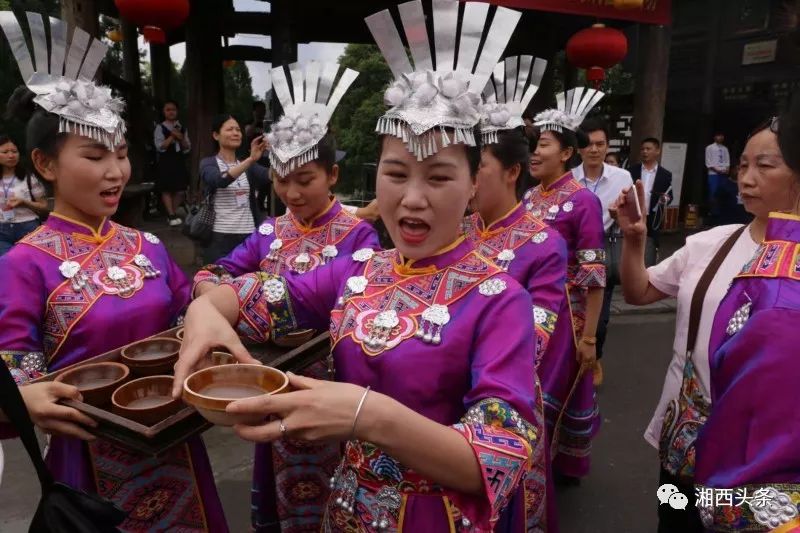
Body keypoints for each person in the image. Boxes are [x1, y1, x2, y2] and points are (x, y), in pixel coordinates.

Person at [174, 1, 544, 530]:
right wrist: (208, 312)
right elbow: (254, 296)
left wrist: (364, 415)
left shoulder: (501, 298)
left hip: (431, 516)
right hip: (346, 508)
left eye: (438, 178)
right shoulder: (361, 270)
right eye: (396, 173)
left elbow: (498, 459)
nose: (412, 199)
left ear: (472, 189)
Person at [0, 13, 227, 531]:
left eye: (121, 154)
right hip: (89, 464)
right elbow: (16, 376)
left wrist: (210, 296)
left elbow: (191, 314)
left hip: (176, 444)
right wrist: (25, 399)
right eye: (95, 155)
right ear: (46, 163)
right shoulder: (23, 263)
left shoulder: (146, 244)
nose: (115, 172)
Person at [194, 61, 378, 533]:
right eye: (280, 179)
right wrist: (208, 291)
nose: (291, 192)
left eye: (305, 179)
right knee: (280, 486)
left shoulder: (360, 238)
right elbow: (216, 269)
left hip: (330, 389)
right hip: (270, 384)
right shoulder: (269, 232)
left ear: (332, 174)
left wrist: (234, 301)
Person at [467, 56, 568, 531]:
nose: (468, 180)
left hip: (503, 399)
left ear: (512, 171)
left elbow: (537, 338)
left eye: (478, 167)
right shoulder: (456, 231)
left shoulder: (544, 244)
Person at [692, 106, 800, 531]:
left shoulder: (778, 293)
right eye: (743, 165)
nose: (746, 178)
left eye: (766, 165)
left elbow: (754, 450)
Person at [524, 87, 606, 483]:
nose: (534, 154)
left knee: (546, 394)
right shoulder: (527, 197)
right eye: (533, 146)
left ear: (567, 153)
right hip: (523, 310)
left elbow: (594, 274)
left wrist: (588, 337)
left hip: (564, 318)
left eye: (543, 145)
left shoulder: (583, 201)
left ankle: (544, 468)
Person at [571, 119, 633, 386]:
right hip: (572, 256)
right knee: (571, 315)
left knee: (601, 318)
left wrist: (619, 217)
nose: (594, 150)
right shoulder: (569, 177)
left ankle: (595, 356)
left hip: (603, 250)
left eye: (600, 144)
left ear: (607, 146)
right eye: (589, 144)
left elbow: (635, 217)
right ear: (578, 148)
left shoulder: (622, 178)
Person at [199, 114, 270, 264]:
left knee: (247, 282)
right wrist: (251, 159)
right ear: (216, 135)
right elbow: (220, 180)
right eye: (230, 129)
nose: (236, 133)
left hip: (248, 235)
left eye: (238, 129)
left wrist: (278, 154)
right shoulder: (208, 164)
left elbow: (270, 176)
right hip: (220, 237)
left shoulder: (248, 165)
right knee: (219, 281)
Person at [0, 134, 48, 256]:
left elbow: (45, 206)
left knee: (29, 265)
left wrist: (24, 203)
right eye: (5, 152)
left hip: (28, 227)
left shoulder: (29, 178)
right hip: (2, 231)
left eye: (14, 151)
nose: (11, 155)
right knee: (5, 267)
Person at [629, 138, 673, 264]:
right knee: (633, 242)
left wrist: (665, 199)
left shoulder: (665, 174)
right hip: (635, 214)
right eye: (642, 149)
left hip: (653, 216)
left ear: (657, 151)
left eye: (648, 149)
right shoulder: (632, 171)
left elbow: (670, 195)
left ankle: (650, 267)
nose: (644, 152)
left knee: (652, 243)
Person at [154, 99, 191, 226]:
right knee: (166, 189)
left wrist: (180, 137)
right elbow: (160, 146)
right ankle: (171, 215)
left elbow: (187, 147)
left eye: (173, 109)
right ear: (164, 112)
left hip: (179, 159)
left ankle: (172, 213)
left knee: (181, 189)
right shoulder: (160, 127)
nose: (171, 112)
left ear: (177, 111)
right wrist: (172, 136)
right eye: (168, 109)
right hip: (166, 160)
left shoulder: (182, 127)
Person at [705, 132, 730, 221]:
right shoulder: (709, 148)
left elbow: (727, 161)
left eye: (721, 135)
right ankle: (713, 214)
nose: (720, 137)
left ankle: (722, 214)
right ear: (714, 137)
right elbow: (708, 162)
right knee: (713, 193)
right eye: (718, 135)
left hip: (723, 174)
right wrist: (717, 170)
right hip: (713, 174)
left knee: (723, 193)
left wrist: (726, 169)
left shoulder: (725, 149)